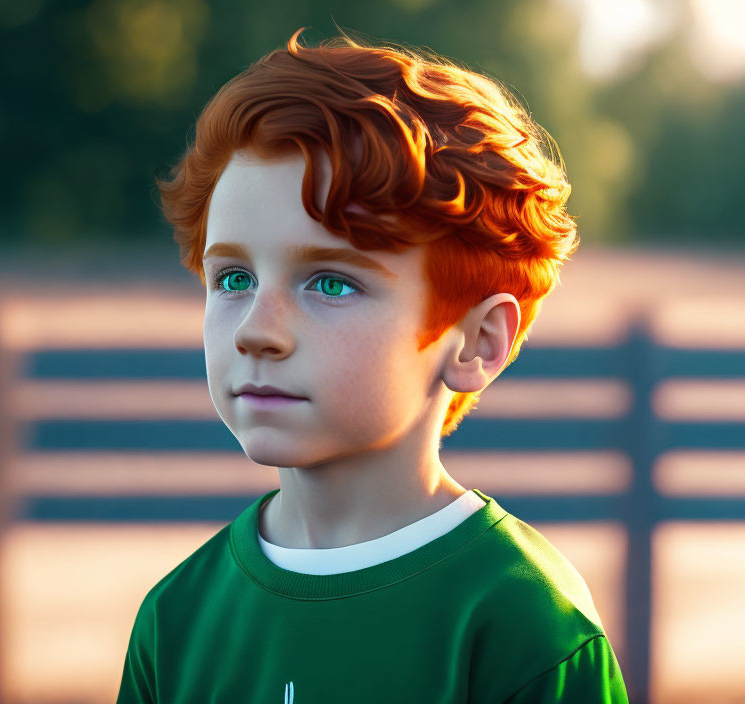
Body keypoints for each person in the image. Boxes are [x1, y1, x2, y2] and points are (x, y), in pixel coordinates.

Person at [116, 25, 628, 703]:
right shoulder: (177, 617)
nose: (257, 332)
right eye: (233, 279)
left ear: (476, 342)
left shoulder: (525, 624)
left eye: (330, 282)